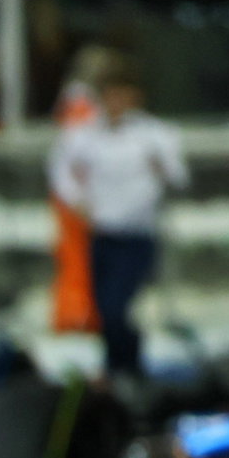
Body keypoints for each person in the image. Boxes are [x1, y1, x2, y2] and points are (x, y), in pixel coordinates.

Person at [48, 57, 189, 382]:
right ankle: (118, 367)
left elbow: (179, 178)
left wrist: (162, 167)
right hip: (104, 233)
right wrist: (77, 202)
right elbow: (60, 171)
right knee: (103, 308)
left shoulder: (154, 134)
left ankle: (128, 363)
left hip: (138, 234)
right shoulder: (86, 135)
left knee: (116, 305)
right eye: (109, 95)